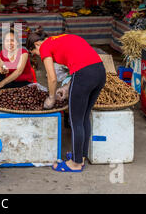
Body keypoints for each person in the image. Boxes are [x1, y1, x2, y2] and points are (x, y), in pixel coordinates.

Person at [26, 27, 106, 173]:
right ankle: (80, 157)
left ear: (37, 44)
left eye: (35, 54)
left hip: (84, 75)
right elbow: (78, 62)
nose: (38, 56)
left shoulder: (45, 47)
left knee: (74, 121)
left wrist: (51, 98)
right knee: (83, 118)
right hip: (100, 72)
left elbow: (51, 78)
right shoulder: (61, 39)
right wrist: (68, 87)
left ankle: (75, 164)